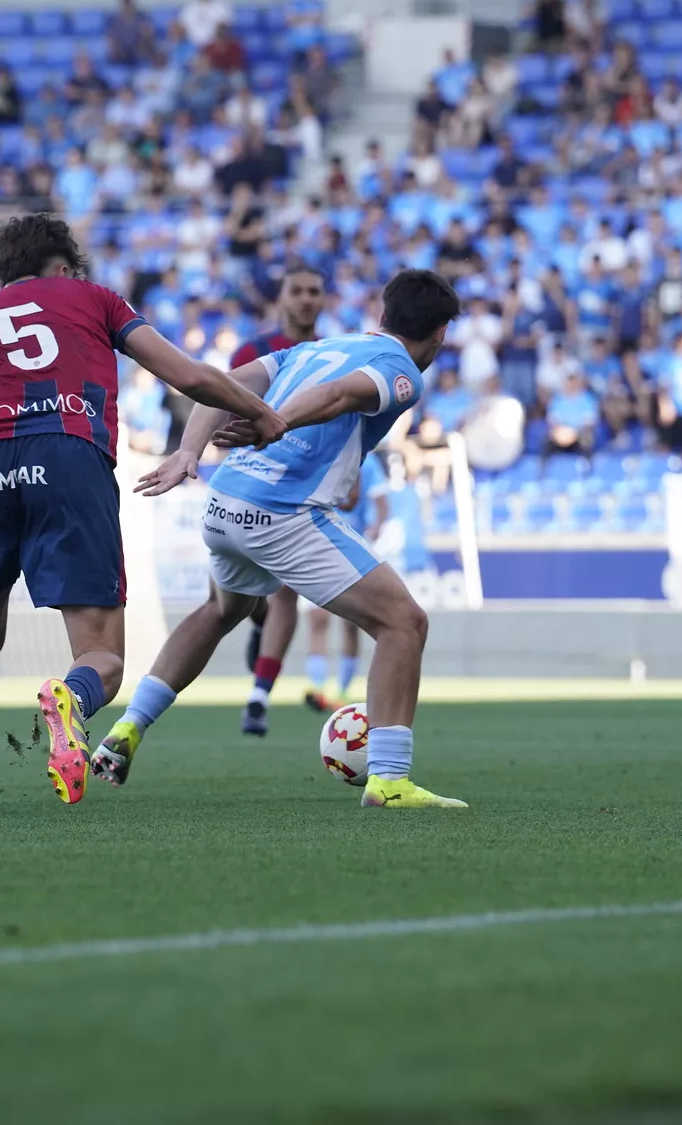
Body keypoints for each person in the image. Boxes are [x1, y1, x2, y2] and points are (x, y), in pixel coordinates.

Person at [0, 214, 284, 815]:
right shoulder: (93, 299)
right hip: (69, 456)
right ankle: (69, 699)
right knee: (103, 657)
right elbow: (191, 376)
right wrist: (265, 415)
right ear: (65, 267)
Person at [89, 269, 468, 810]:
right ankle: (389, 780)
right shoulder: (401, 368)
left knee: (221, 610)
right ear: (441, 333)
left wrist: (188, 451)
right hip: (282, 513)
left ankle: (127, 728)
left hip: (225, 504)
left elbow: (220, 382)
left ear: (383, 315)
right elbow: (340, 395)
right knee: (404, 621)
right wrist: (276, 422)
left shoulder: (316, 347)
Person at [226, 263, 330, 734]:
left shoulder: (333, 353)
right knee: (231, 600)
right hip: (247, 482)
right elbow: (223, 411)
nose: (306, 298)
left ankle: (258, 698)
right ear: (282, 297)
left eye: (314, 291)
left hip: (298, 488)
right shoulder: (254, 353)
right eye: (298, 290)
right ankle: (258, 616)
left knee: (288, 589)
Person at [302, 448, 387, 713]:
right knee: (318, 617)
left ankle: (341, 691)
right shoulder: (319, 451)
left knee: (351, 623)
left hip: (352, 543)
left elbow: (381, 501)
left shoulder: (368, 460)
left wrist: (376, 526)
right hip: (318, 542)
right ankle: (318, 688)